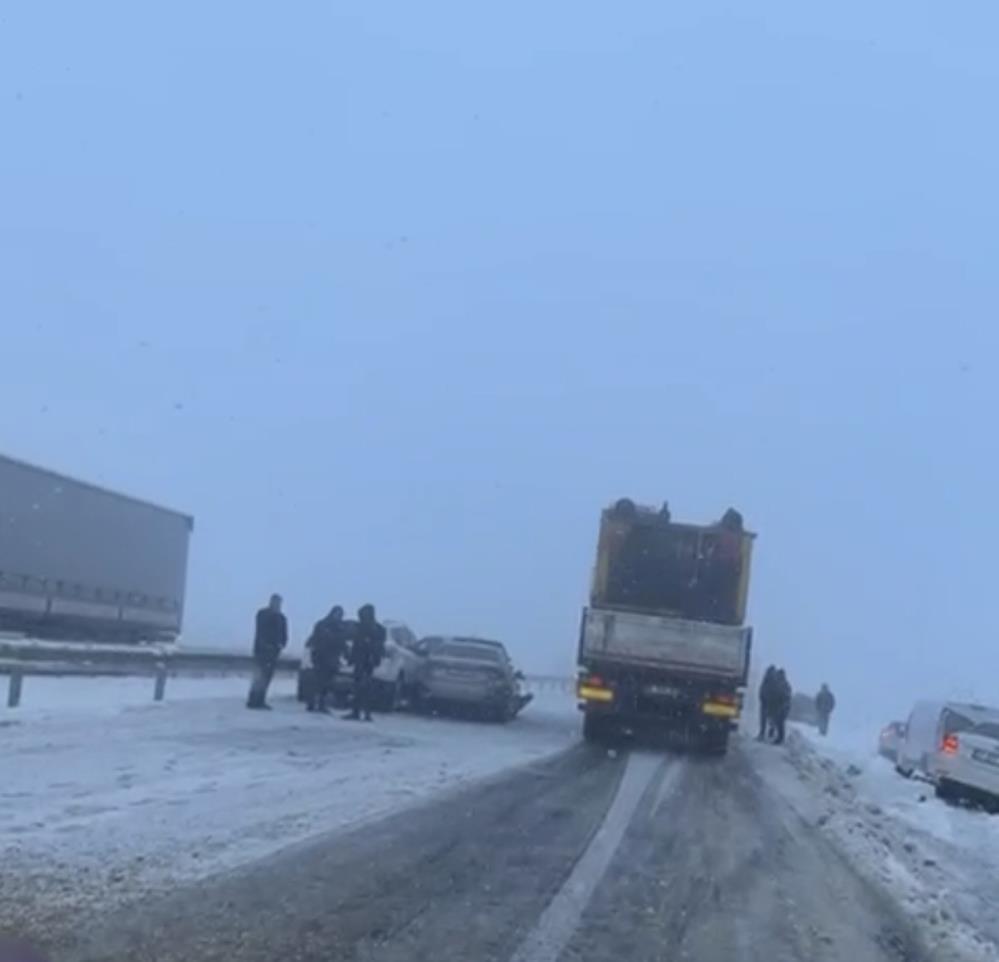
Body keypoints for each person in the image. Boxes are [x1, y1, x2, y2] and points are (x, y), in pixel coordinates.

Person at [343, 603, 386, 721]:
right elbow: (356, 645)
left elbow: (376, 646)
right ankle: (360, 712)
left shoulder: (376, 629)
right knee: (361, 687)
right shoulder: (367, 628)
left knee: (363, 687)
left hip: (367, 661)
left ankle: (362, 712)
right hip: (362, 661)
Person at [247, 594, 288, 710]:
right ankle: (253, 700)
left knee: (267, 677)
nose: (277, 605)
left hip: (274, 652)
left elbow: (284, 634)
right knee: (259, 676)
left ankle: (260, 700)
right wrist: (267, 645)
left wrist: (282, 644)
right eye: (275, 602)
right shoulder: (263, 614)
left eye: (279, 603)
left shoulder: (282, 618)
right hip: (262, 651)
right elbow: (262, 631)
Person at [305, 605, 348, 713]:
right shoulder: (322, 625)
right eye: (337, 614)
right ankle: (312, 703)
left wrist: (346, 653)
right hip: (321, 657)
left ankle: (320, 704)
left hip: (332, 658)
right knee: (318, 682)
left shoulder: (339, 627)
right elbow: (314, 639)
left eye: (340, 615)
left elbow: (342, 642)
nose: (339, 616)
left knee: (326, 683)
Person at [771, 668, 792, 745]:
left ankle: (780, 738)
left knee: (780, 722)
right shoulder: (780, 683)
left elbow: (786, 696)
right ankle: (778, 737)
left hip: (783, 706)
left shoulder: (784, 684)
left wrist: (783, 705)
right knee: (777, 721)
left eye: (778, 675)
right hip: (779, 706)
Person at [757, 665, 777, 741]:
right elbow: (762, 689)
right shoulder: (770, 679)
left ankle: (764, 734)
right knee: (767, 719)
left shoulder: (770, 679)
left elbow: (763, 689)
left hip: (768, 702)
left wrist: (762, 697)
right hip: (767, 702)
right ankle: (766, 733)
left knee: (765, 719)